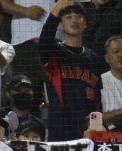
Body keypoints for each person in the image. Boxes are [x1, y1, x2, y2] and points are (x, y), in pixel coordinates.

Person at [39, 0, 103, 141]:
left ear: (86, 23)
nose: (74, 20)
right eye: (68, 17)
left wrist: (96, 129)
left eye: (79, 16)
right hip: (60, 130)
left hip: (87, 132)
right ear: (60, 25)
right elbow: (45, 39)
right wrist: (56, 10)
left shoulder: (94, 58)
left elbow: (97, 100)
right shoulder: (53, 52)